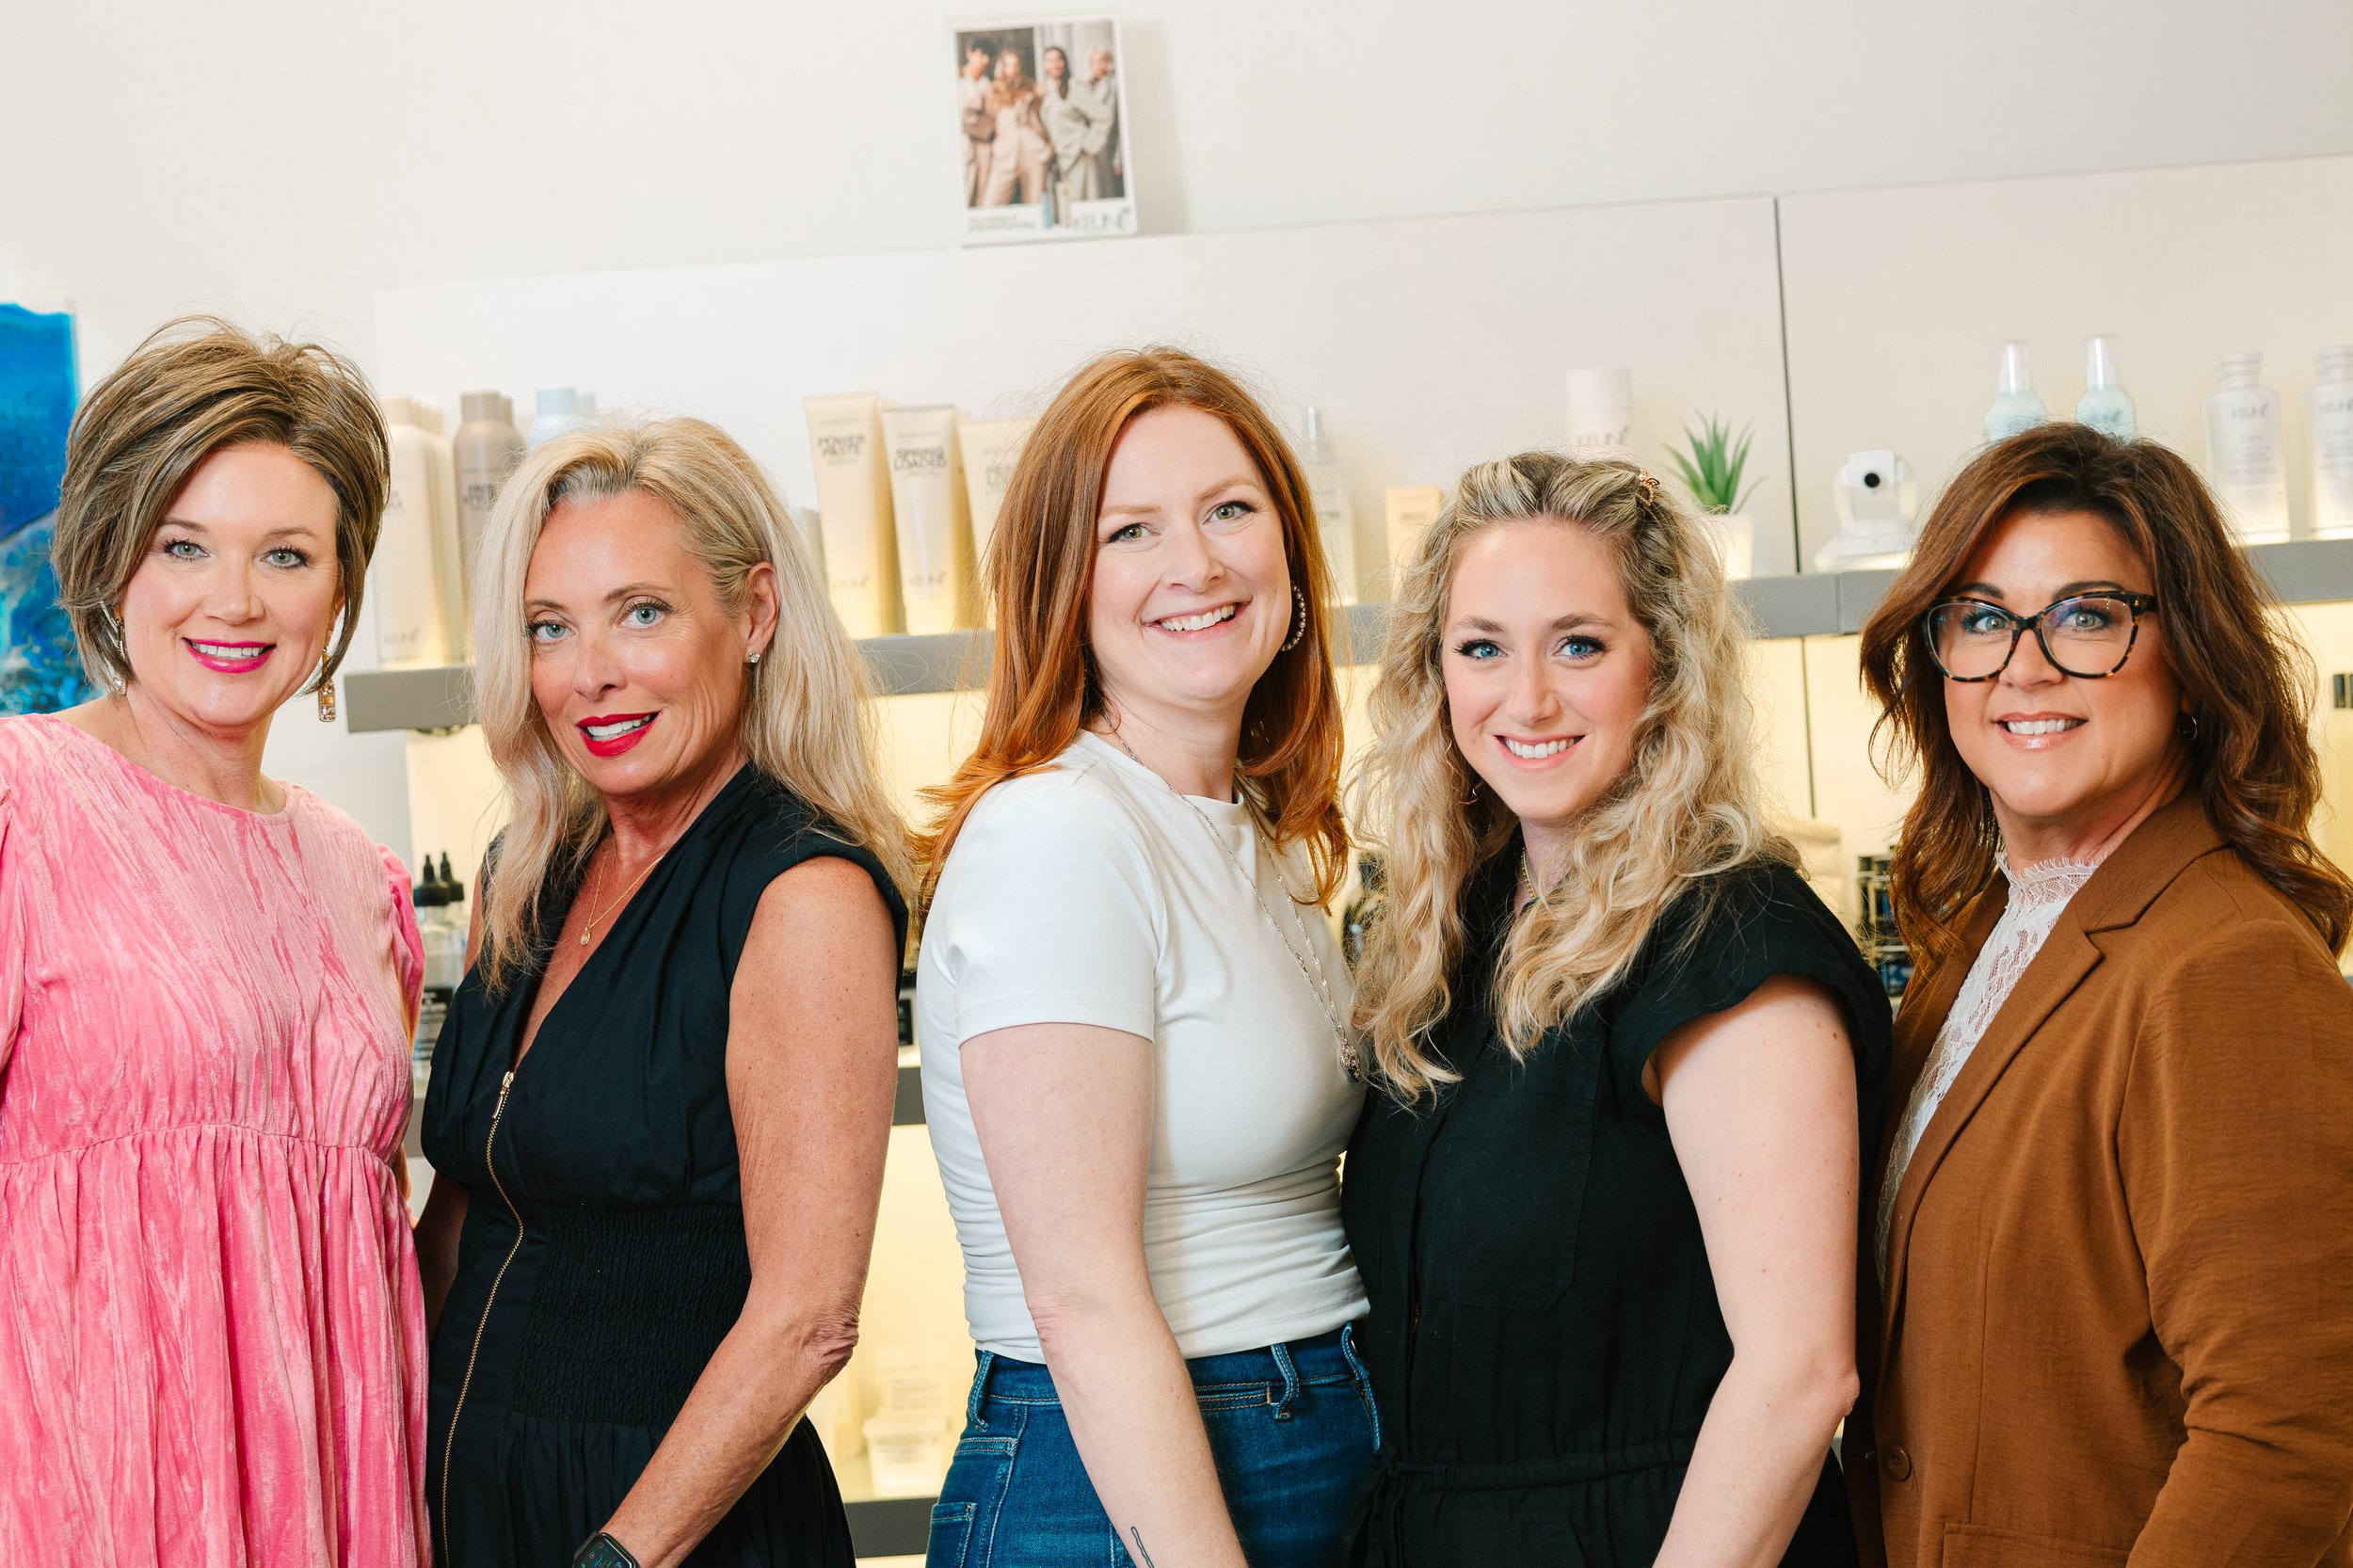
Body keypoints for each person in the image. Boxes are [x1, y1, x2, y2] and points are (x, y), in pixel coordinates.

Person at [1343, 453, 1888, 1565]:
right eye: (1481, 646)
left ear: (1666, 668)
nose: (1527, 697)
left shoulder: (1728, 938)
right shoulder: (1455, 936)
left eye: (1579, 644)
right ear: (1433, 674)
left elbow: (1797, 1377)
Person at [1849, 424, 2353, 1565]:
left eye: (2086, 615)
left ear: (2190, 659)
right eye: (1979, 617)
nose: (2021, 666)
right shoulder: (1988, 934)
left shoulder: (2227, 966)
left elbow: (2284, 1437)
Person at [414, 419, 909, 1568]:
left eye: (642, 613)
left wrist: (620, 1556)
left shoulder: (803, 894)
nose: (590, 672)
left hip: (669, 1533)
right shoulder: (520, 879)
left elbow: (806, 1318)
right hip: (478, 1506)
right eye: (550, 627)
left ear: (755, 614)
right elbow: (459, 1221)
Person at [914, 347, 1371, 1568]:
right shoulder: (1061, 834)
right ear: (1060, 583)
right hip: (1120, 1487)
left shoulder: (1257, 837)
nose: (1199, 564)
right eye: (1132, 531)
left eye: (1230, 509)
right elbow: (1081, 1295)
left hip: (1284, 1437)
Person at [0, 317, 428, 1564]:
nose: (234, 600)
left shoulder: (358, 876)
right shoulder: (25, 805)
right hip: (85, 1505)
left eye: (285, 554)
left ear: (338, 584)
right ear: (111, 556)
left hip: (337, 1505)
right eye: (184, 545)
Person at [979, 45, 1050, 207]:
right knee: (990, 206)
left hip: (1033, 152)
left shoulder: (1031, 89)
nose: (1012, 69)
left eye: (1016, 65)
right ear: (1001, 67)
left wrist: (1048, 145)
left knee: (1035, 205)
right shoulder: (991, 91)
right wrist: (990, 131)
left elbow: (1039, 120)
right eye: (1008, 65)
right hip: (1005, 154)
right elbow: (976, 116)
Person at [1039, 45, 1109, 206]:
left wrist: (1088, 144)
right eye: (1050, 61)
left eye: (1058, 60)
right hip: (1061, 160)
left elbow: (1104, 115)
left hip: (1079, 157)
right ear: (1044, 65)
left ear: (1064, 63)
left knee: (1082, 208)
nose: (1055, 64)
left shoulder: (1074, 87)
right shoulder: (1047, 92)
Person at [959, 36, 996, 207]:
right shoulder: (957, 79)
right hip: (962, 140)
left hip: (983, 142)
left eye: (988, 56)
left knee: (982, 188)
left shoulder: (988, 85)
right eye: (981, 54)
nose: (985, 60)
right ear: (969, 54)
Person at [1083, 46, 1122, 197]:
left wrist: (1119, 158)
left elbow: (1119, 123)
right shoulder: (1089, 85)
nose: (1098, 65)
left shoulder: (1114, 85)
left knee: (1109, 190)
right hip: (1093, 146)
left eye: (1102, 61)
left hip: (1110, 147)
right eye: (1094, 62)